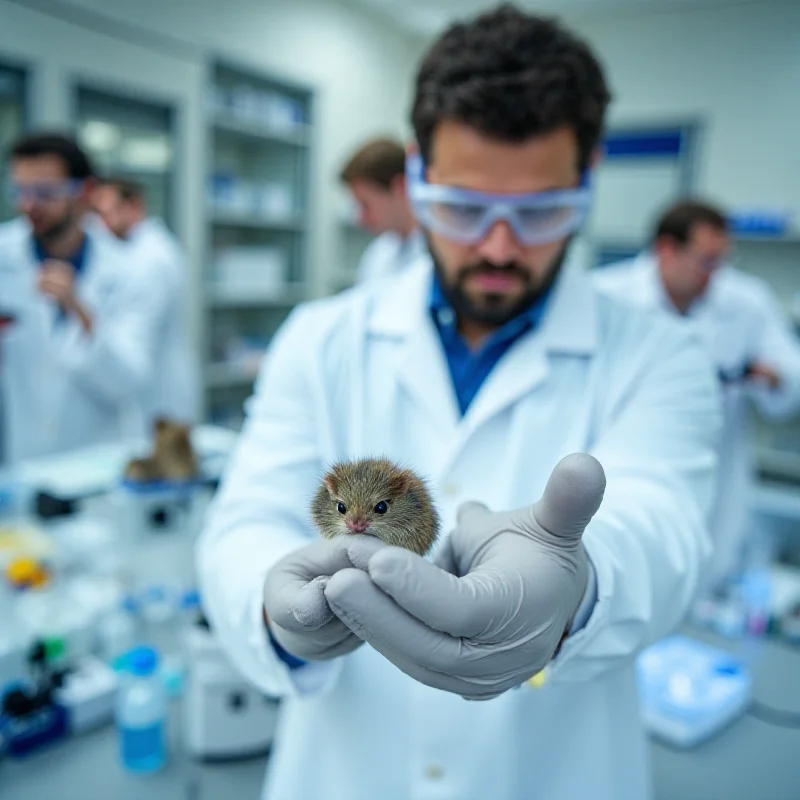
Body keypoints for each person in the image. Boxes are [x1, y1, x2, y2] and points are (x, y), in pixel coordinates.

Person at [197, 6, 721, 800]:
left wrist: (580, 586)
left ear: (588, 180)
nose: (500, 247)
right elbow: (246, 518)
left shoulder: (661, 355)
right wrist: (271, 608)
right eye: (465, 208)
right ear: (415, 177)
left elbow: (666, 527)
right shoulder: (321, 338)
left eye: (542, 211)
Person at [595, 200, 800, 591]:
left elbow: (791, 374)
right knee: (619, 579)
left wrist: (775, 376)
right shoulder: (606, 294)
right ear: (667, 250)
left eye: (722, 261)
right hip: (621, 463)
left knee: (700, 578)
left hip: (715, 474)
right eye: (705, 261)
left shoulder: (746, 301)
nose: (714, 275)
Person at [0, 133, 165, 464]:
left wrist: (80, 310)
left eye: (46, 193)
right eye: (20, 190)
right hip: (19, 460)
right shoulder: (4, 254)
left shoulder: (131, 270)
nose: (28, 205)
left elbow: (129, 382)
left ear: (85, 192)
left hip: (93, 465)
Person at [91, 177, 198, 426]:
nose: (97, 223)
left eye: (104, 213)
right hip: (144, 390)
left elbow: (137, 337)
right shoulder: (127, 251)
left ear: (134, 207)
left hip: (159, 394)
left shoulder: (153, 259)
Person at [339, 136, 426, 284]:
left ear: (400, 186)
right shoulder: (377, 255)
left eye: (365, 205)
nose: (360, 219)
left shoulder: (437, 253)